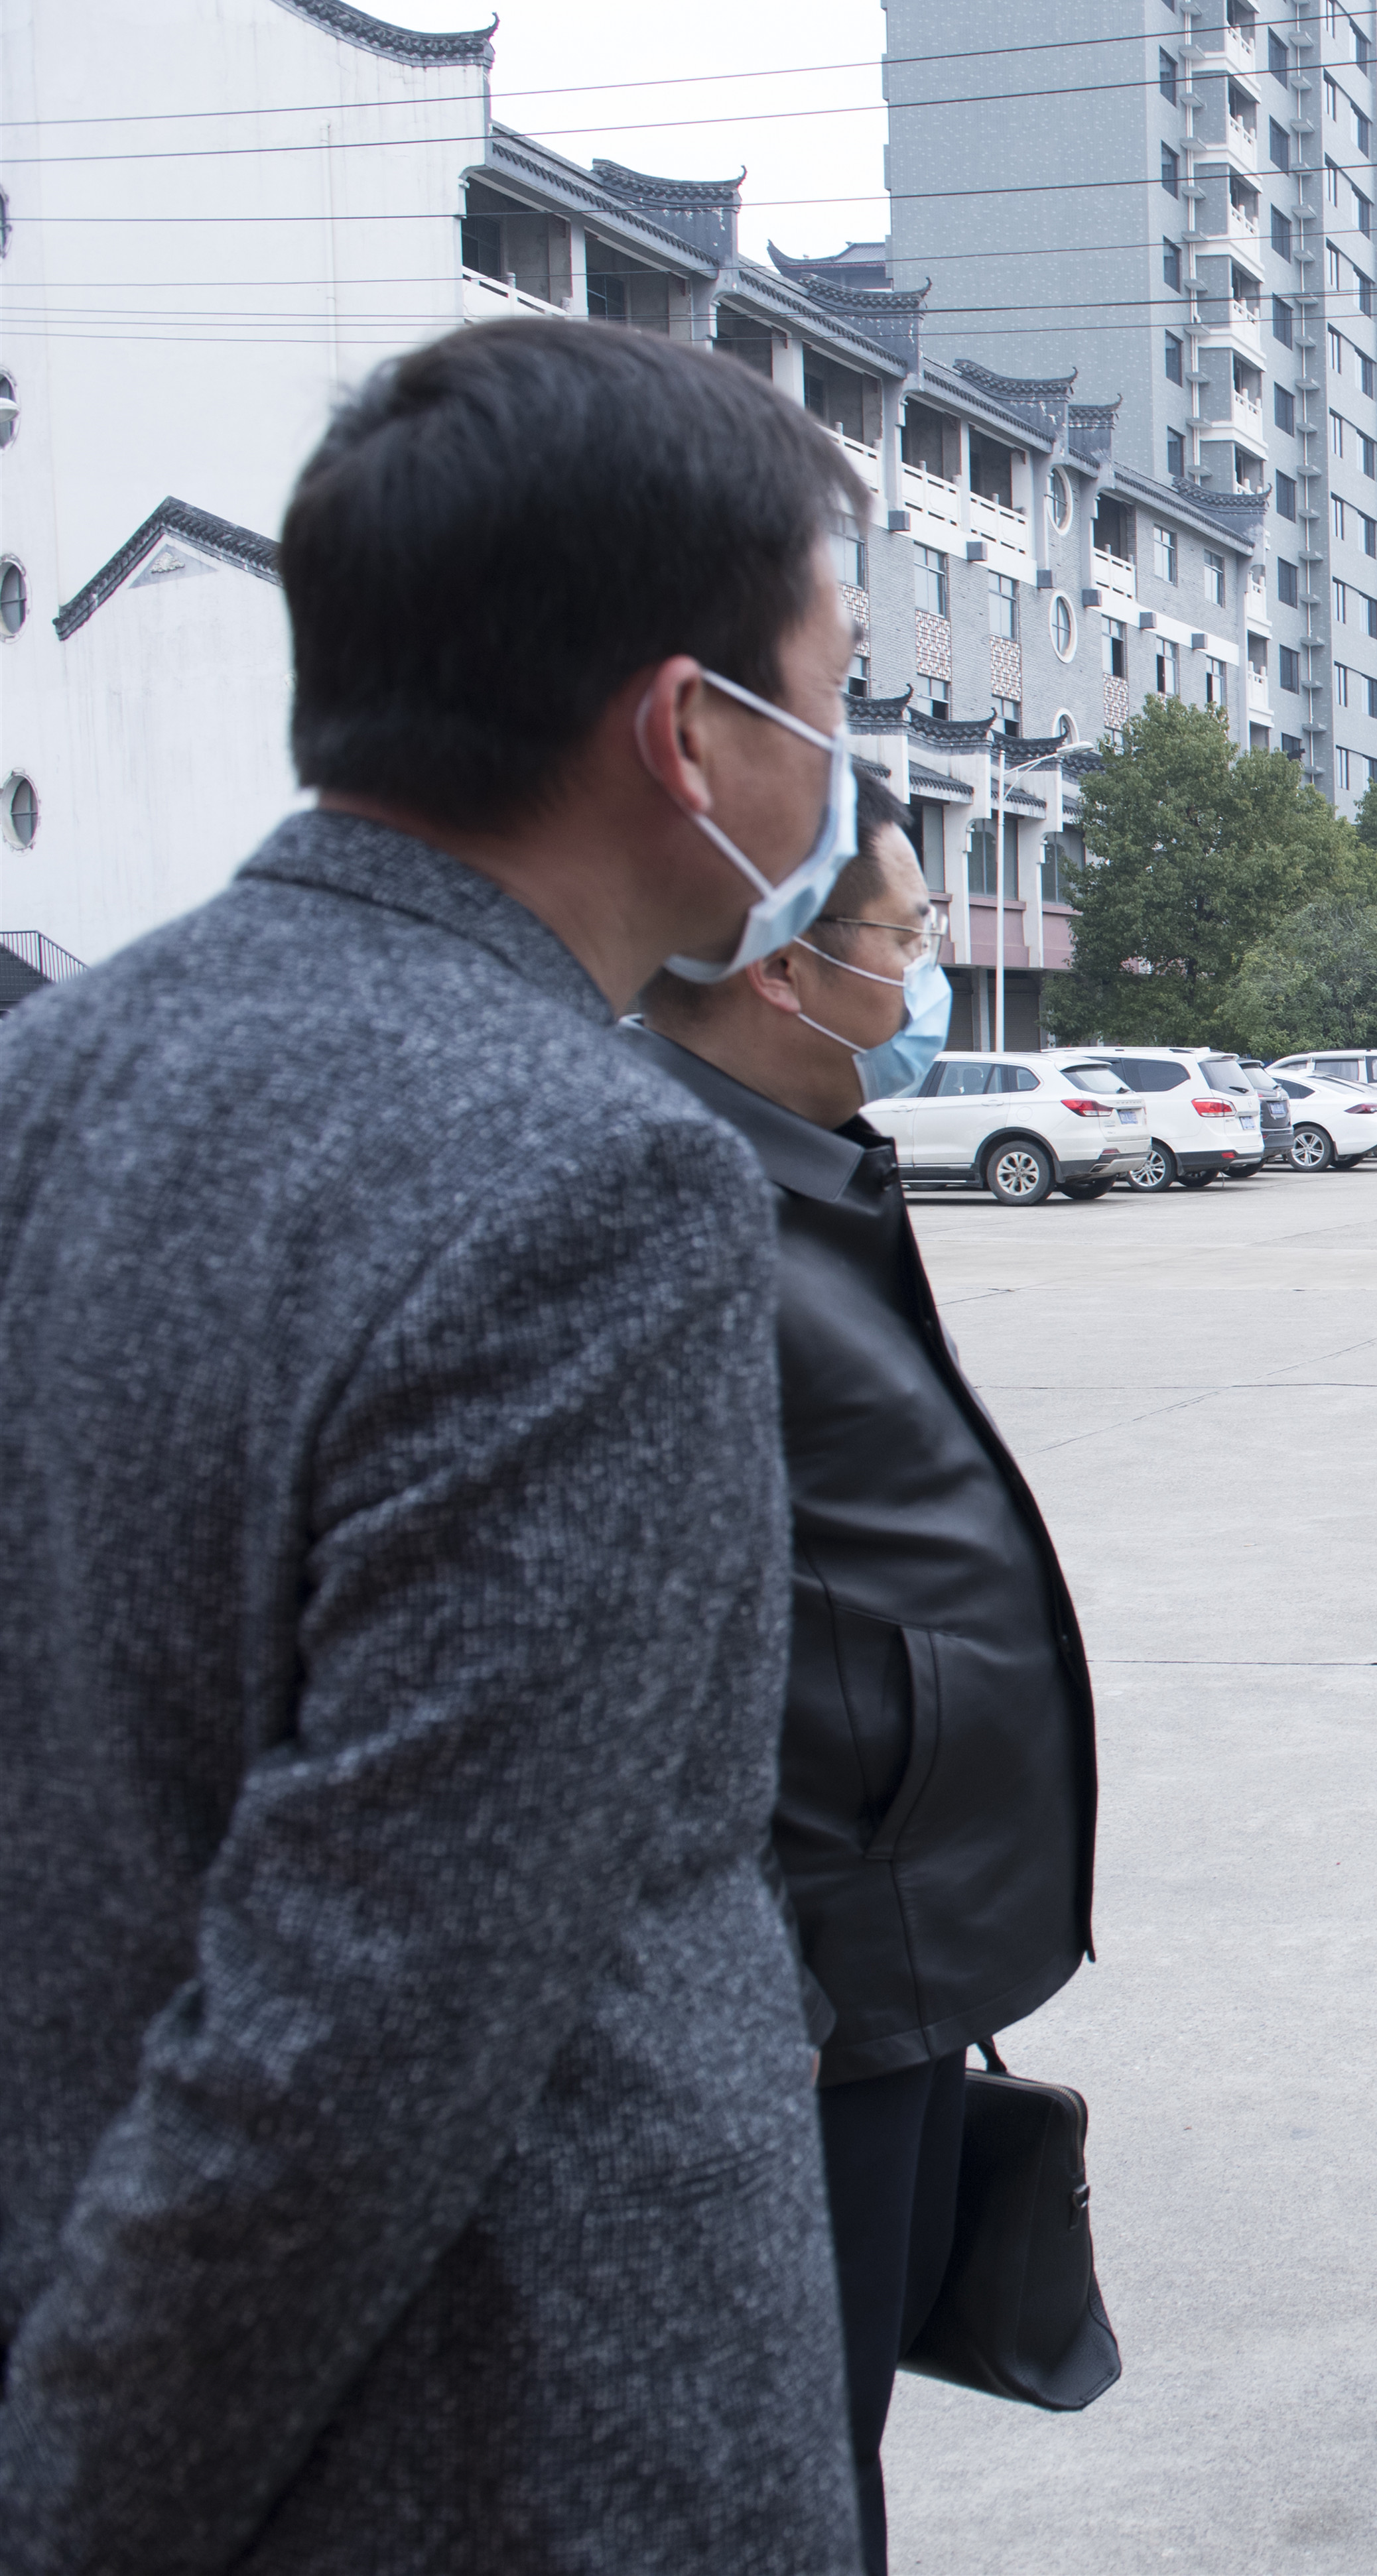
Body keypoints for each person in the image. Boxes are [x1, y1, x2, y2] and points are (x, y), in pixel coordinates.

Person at [0, 319, 870, 2568]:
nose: (836, 763)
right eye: (830, 689)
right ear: (689, 730)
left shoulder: (62, 1065)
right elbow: (380, 2013)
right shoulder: (598, 1180)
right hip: (476, 2423)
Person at [626, 773, 1100, 2574]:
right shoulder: (665, 1199)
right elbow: (640, 1674)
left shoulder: (801, 1158)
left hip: (879, 1942)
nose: (924, 977)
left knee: (840, 2433)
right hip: (804, 1977)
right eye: (906, 937)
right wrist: (771, 1983)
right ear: (780, 966)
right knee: (784, 2457)